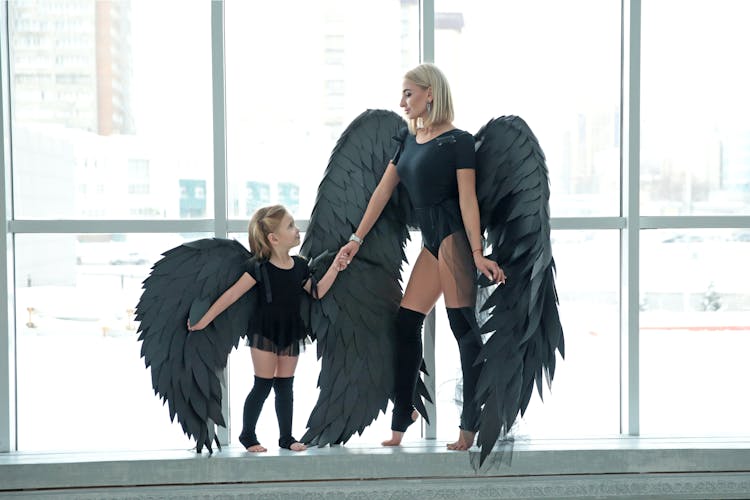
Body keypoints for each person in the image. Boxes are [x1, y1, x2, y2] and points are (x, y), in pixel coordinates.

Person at [339, 63, 506, 451]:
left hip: (452, 239)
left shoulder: (459, 142)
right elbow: (382, 192)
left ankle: (471, 423)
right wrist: (356, 240)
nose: (402, 102)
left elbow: (467, 199)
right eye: (402, 95)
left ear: (430, 93)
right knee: (405, 322)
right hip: (430, 243)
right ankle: (404, 414)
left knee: (463, 331)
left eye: (408, 94)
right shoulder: (408, 139)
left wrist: (478, 252)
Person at [188, 205, 349, 453]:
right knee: (262, 384)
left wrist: (336, 267)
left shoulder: (299, 266)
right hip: (264, 331)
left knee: (286, 385)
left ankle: (286, 437)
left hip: (291, 330)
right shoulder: (257, 268)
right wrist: (204, 320)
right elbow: (231, 295)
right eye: (291, 226)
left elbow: (316, 292)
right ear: (274, 239)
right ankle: (247, 434)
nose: (297, 230)